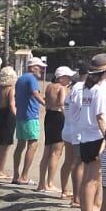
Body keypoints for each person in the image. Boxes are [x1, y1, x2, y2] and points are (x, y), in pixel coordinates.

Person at [68, 54, 106, 211]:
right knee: (92, 180)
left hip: (86, 136)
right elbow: (100, 117)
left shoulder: (88, 87)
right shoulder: (100, 89)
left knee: (90, 178)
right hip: (96, 136)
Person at [10, 58, 45, 187]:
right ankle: (24, 176)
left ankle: (16, 175)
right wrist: (46, 104)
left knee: (20, 145)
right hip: (30, 116)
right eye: (40, 67)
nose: (42, 70)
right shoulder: (31, 79)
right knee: (32, 144)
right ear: (33, 67)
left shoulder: (21, 79)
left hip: (20, 115)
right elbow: (35, 94)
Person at [39, 65, 72, 194]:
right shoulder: (61, 88)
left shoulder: (48, 86)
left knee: (47, 150)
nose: (69, 79)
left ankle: (42, 183)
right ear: (61, 77)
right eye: (67, 77)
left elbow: (47, 101)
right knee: (56, 152)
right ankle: (50, 183)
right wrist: (68, 118)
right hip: (58, 117)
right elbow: (62, 104)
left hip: (49, 116)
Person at [0, 65, 18, 179]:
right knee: (5, 145)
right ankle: (0, 171)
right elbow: (12, 105)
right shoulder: (10, 89)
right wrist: (17, 116)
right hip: (6, 115)